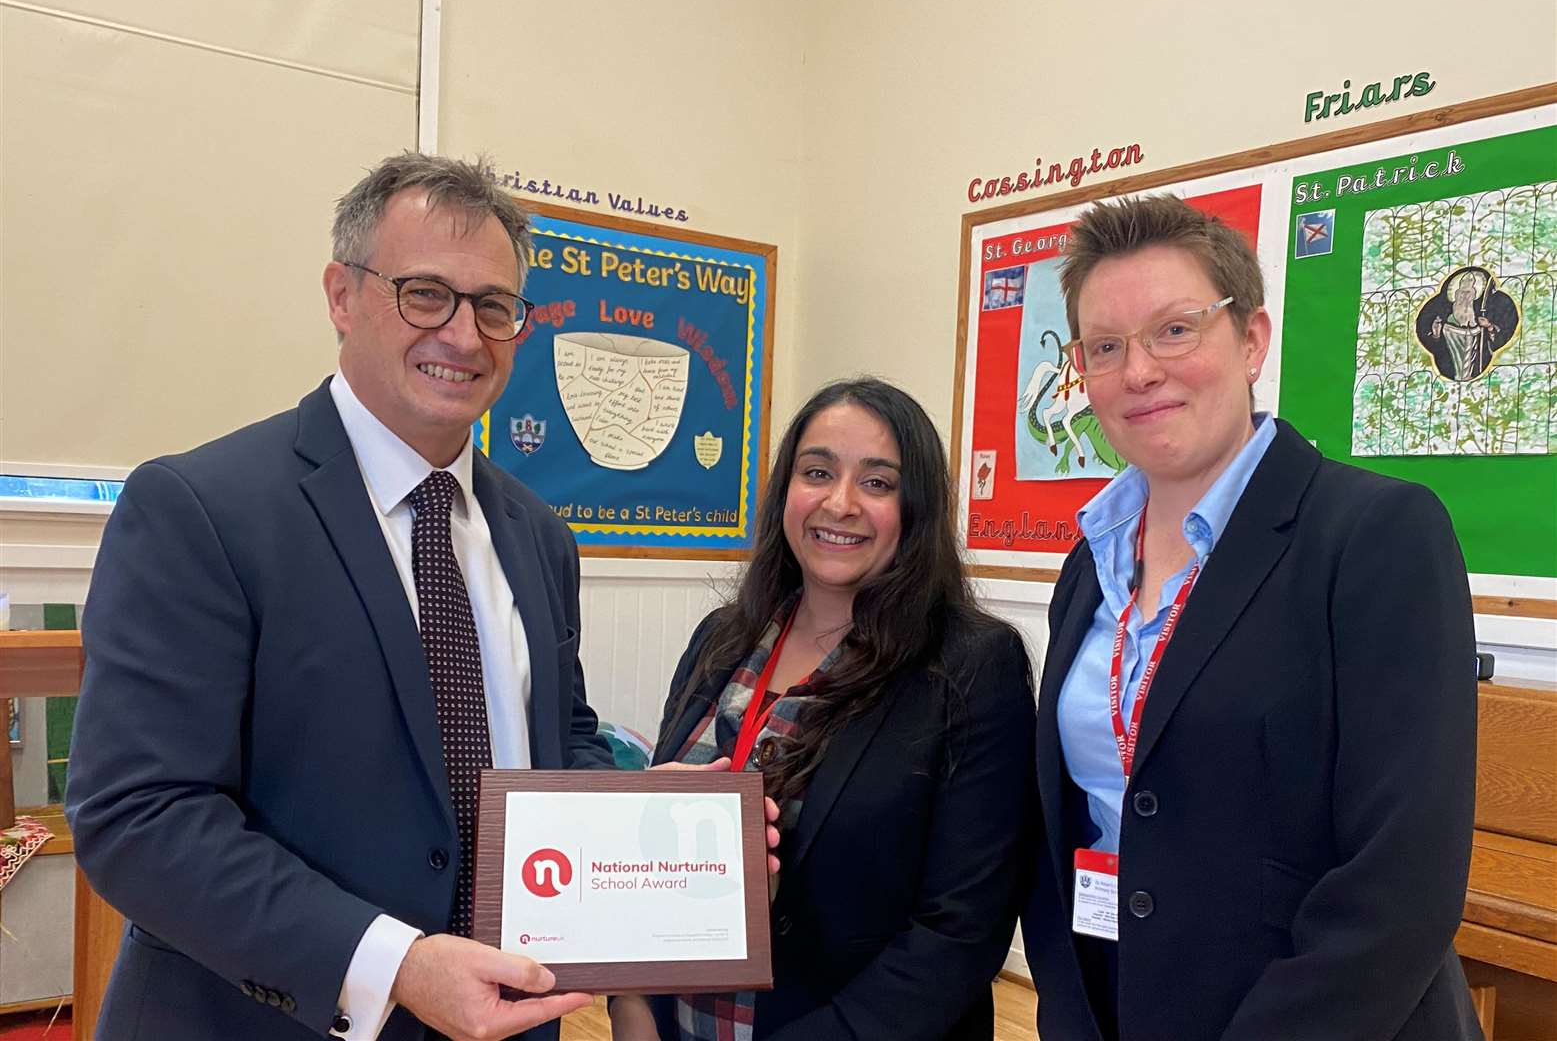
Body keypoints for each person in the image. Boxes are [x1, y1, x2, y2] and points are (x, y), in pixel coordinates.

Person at [66, 154, 609, 1041]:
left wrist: (652, 820)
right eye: (425, 293)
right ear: (342, 295)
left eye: (494, 307)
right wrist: (394, 965)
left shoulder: (539, 535)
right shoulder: (199, 508)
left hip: (512, 1018)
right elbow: (140, 815)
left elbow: (559, 742)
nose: (464, 337)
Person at [1020, 194, 1481, 1040]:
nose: (1139, 372)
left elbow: (1401, 881)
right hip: (1114, 1002)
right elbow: (1069, 824)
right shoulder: (1091, 559)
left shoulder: (1374, 534)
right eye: (1106, 347)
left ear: (1251, 340)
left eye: (1174, 329)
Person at [611, 378, 1038, 1041]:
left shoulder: (971, 665)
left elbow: (960, 930)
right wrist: (630, 1006)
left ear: (915, 507)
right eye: (816, 473)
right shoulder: (721, 637)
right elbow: (650, 855)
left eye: (877, 482)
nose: (839, 504)